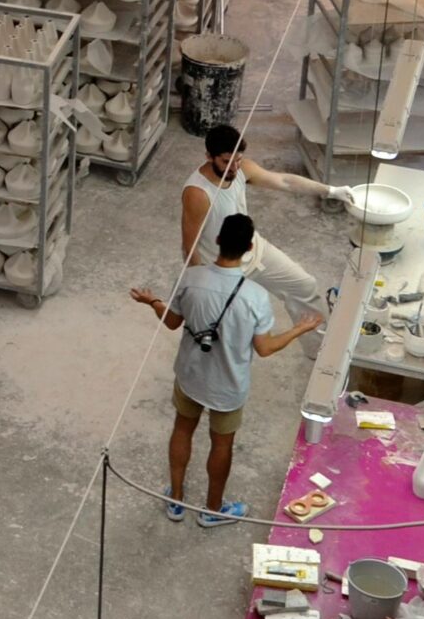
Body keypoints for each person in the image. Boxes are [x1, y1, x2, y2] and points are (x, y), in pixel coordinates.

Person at [131, 213, 324, 525]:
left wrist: (152, 301)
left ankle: (176, 500)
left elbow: (172, 322)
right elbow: (265, 348)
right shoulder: (256, 297)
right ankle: (212, 509)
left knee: (182, 429)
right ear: (249, 247)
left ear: (218, 240)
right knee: (222, 444)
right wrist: (300, 329)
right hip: (228, 385)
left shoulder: (191, 278)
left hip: (191, 375)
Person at [180, 122, 337, 324]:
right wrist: (201, 284)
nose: (234, 168)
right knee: (227, 326)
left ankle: (320, 350)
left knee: (305, 285)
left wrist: (330, 191)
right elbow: (189, 246)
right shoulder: (198, 193)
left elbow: (284, 181)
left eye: (238, 160)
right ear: (209, 157)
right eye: (227, 162)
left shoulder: (241, 168)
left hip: (253, 250)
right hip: (221, 268)